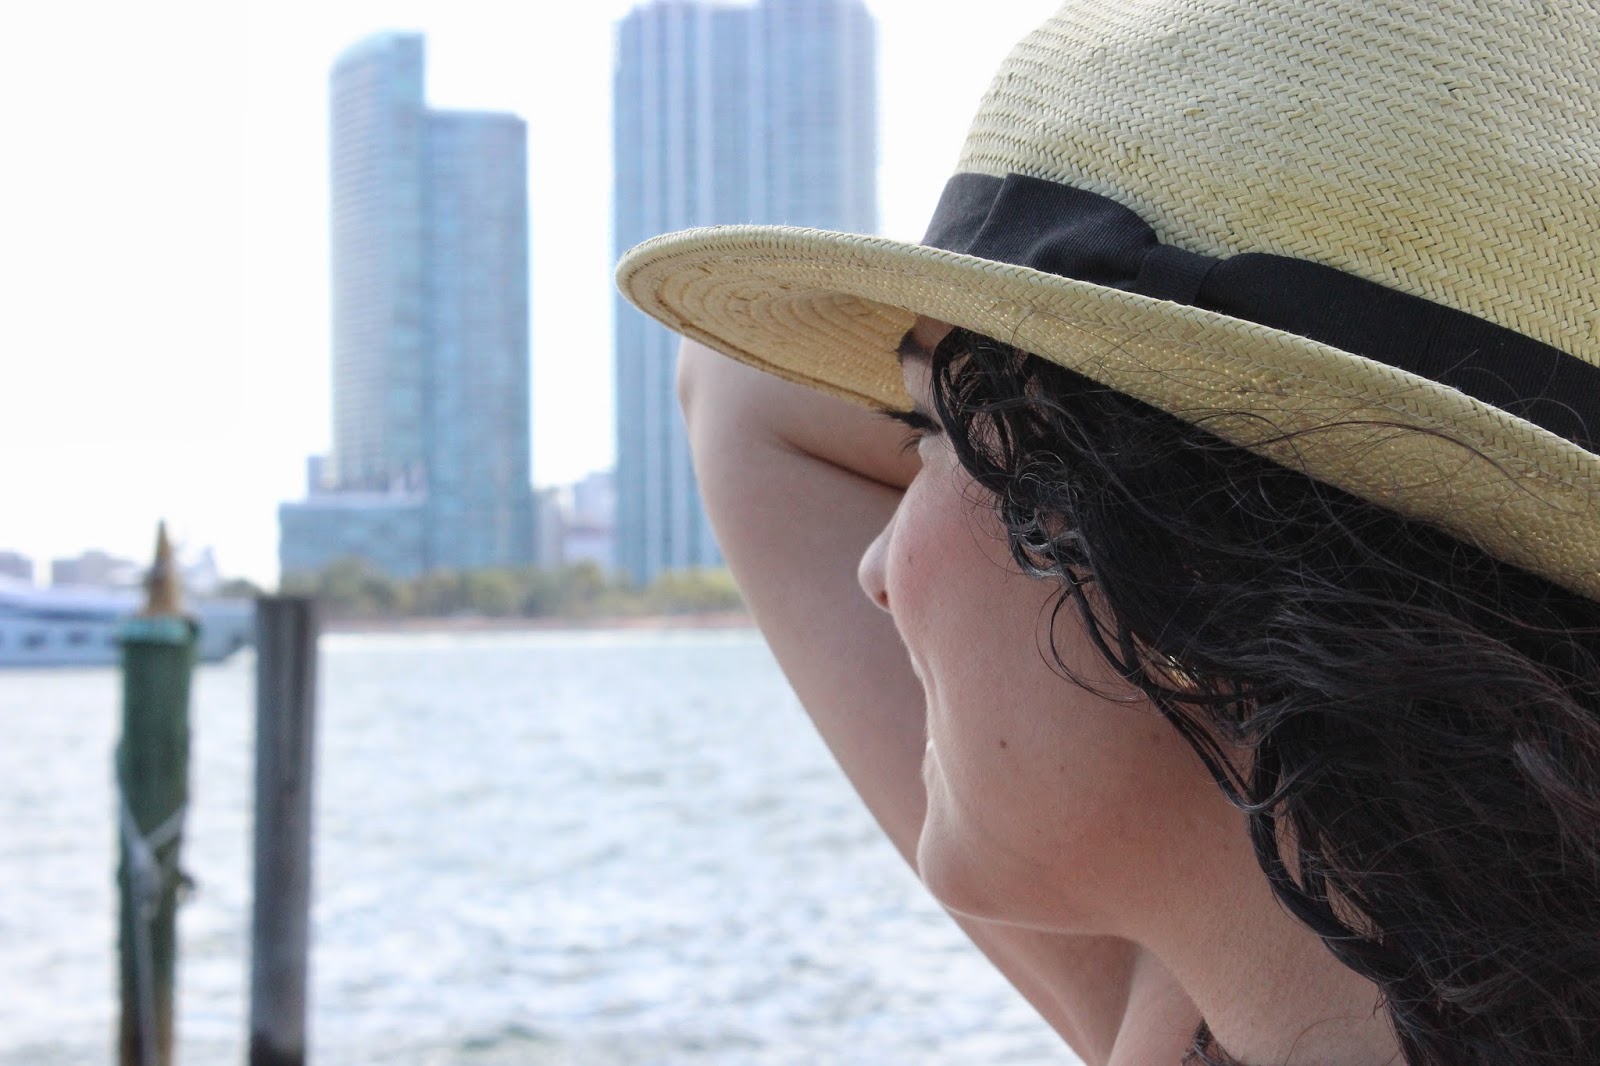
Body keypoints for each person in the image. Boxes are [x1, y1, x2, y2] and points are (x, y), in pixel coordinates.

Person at [616, 0, 1600, 1062]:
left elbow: (741, 394)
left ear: (1179, 547)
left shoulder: (1170, 1015)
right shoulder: (1227, 976)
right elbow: (736, 385)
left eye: (929, 435)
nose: (876, 570)